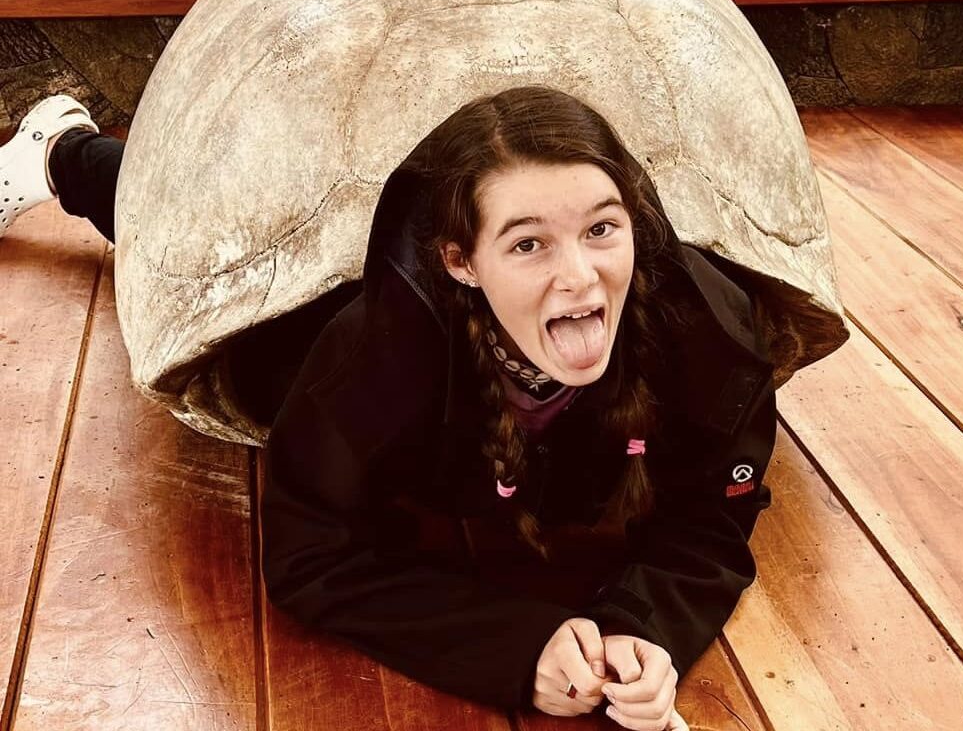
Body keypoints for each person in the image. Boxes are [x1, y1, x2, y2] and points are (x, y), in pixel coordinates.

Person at [1, 87, 779, 731]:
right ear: (459, 261)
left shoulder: (710, 337)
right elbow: (309, 554)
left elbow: (714, 517)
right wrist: (509, 647)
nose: (580, 275)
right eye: (528, 244)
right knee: (187, 232)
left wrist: (645, 627)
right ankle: (61, 151)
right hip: (307, 283)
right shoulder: (366, 363)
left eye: (602, 229)